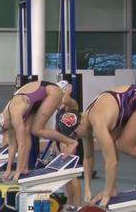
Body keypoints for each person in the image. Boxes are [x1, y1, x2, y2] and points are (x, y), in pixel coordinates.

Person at [56, 84, 136, 208]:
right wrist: (87, 190)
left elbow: (111, 161)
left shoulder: (97, 121)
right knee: (113, 141)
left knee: (125, 145)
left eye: (75, 135)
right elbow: (88, 158)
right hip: (135, 102)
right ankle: (113, 188)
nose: (76, 138)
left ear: (80, 123)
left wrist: (106, 193)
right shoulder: (86, 121)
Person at [0, 81, 78, 180]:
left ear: (3, 122)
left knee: (37, 130)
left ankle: (71, 142)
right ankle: (24, 168)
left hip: (51, 91)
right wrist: (8, 169)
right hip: (35, 100)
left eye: (4, 129)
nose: (5, 131)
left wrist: (17, 171)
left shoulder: (15, 114)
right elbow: (12, 145)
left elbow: (21, 145)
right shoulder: (7, 120)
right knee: (26, 131)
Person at [55, 81, 82, 210]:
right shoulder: (60, 107)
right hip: (61, 143)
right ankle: (70, 203)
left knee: (72, 175)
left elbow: (65, 99)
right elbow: (57, 128)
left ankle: (78, 205)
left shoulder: (72, 103)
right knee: (66, 176)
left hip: (70, 142)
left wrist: (68, 90)